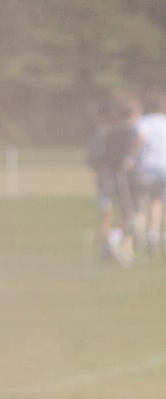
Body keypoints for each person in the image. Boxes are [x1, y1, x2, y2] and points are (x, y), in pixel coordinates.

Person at [87, 90, 141, 266]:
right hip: (120, 180)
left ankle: (109, 245)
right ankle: (114, 243)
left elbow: (94, 159)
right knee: (125, 214)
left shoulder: (107, 133)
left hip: (108, 179)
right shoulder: (128, 132)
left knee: (108, 214)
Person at [131, 87, 166, 260]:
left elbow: (140, 139)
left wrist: (131, 158)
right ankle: (154, 235)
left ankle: (138, 236)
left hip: (146, 169)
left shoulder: (143, 122)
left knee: (141, 205)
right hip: (164, 169)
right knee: (158, 203)